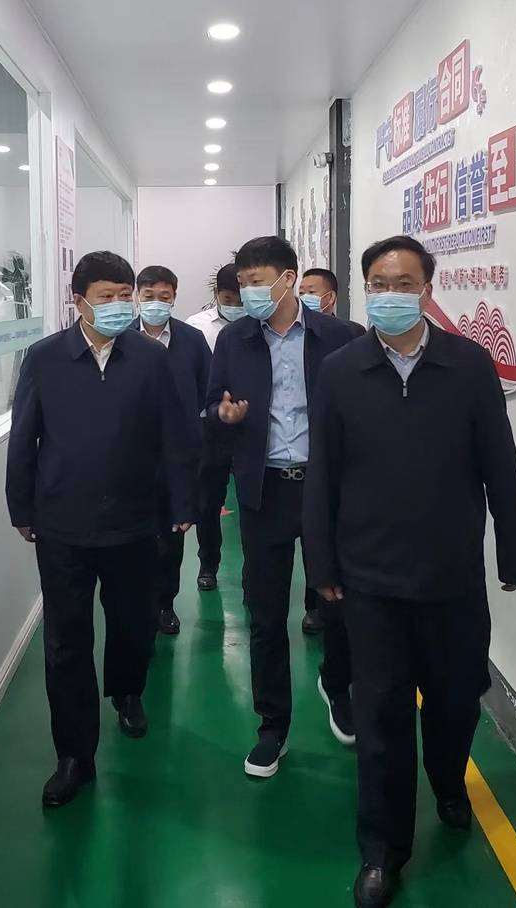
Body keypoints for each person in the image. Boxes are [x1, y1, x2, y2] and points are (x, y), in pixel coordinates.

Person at [302, 235, 516, 908]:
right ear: (365, 290)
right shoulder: (341, 370)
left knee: (458, 697)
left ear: (428, 289)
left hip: (451, 574)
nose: (391, 294)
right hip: (369, 578)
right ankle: (382, 849)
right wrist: (322, 564)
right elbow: (323, 475)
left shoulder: (468, 365)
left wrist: (513, 553)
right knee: (381, 718)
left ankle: (449, 781)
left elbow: (500, 463)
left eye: (404, 283)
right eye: (379, 283)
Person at [6, 250, 197, 809]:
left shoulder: (150, 358)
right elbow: (25, 436)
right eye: (106, 296)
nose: (118, 305)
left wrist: (182, 501)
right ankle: (74, 755)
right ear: (79, 301)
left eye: (124, 295)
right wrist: (22, 507)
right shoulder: (46, 358)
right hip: (63, 523)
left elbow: (175, 434)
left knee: (133, 624)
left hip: (135, 521)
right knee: (65, 641)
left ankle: (128, 692)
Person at [206, 235, 360, 778]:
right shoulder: (234, 341)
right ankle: (273, 726)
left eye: (256, 282)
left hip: (326, 491)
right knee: (266, 614)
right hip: (264, 491)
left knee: (339, 603)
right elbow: (212, 402)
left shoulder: (340, 337)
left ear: (287, 279)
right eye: (242, 283)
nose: (248, 292)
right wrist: (222, 415)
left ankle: (337, 685)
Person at [133, 264, 211, 635]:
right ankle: (139, 606)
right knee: (135, 538)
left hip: (179, 457)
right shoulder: (122, 336)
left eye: (163, 297)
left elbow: (207, 390)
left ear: (174, 297)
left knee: (172, 535)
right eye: (148, 296)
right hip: (131, 457)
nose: (156, 303)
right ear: (138, 296)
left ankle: (165, 603)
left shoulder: (192, 340)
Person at [295, 268, 366, 633]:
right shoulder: (296, 334)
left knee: (326, 536)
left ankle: (326, 608)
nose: (304, 297)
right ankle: (313, 604)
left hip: (337, 456)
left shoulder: (351, 335)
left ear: (330, 297)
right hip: (299, 454)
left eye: (312, 291)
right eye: (301, 290)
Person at [185, 263, 246, 590]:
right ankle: (208, 564)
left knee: (255, 504)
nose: (235, 307)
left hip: (250, 427)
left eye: (240, 301)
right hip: (210, 428)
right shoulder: (196, 328)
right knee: (208, 502)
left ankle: (256, 571)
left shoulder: (261, 324)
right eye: (228, 300)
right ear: (216, 295)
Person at [298, 267, 367, 337]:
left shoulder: (351, 332)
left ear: (331, 297)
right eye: (301, 293)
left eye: (311, 292)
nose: (304, 297)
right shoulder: (296, 331)